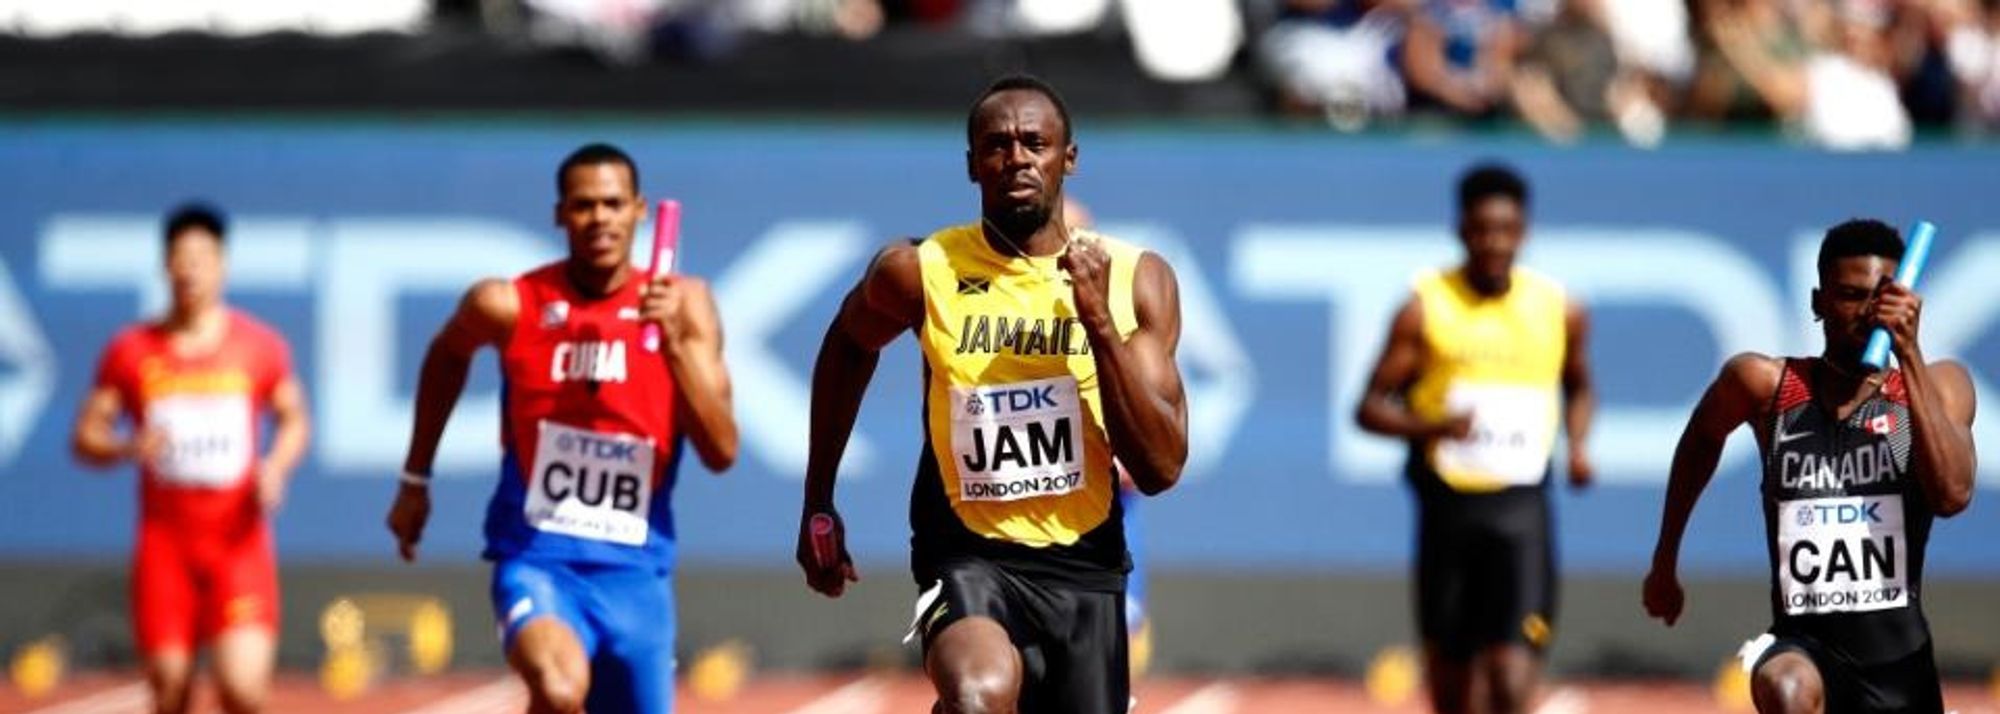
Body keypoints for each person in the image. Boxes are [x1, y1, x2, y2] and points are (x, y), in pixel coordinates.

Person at [795, 74, 1189, 714]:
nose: (1016, 159)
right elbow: (848, 343)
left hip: (1085, 566)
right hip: (965, 554)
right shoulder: (919, 270)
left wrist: (1097, 324)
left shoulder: (1134, 280)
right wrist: (819, 499)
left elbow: (1161, 467)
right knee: (979, 695)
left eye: (1035, 143)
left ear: (1069, 158)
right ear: (972, 165)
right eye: (997, 146)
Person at [385, 143, 738, 714]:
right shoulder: (508, 303)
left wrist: (673, 344)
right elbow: (447, 355)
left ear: (639, 210)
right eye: (583, 205)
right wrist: (414, 479)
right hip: (538, 559)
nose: (599, 218)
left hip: (637, 574)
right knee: (557, 688)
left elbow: (721, 450)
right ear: (560, 214)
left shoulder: (686, 305)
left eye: (613, 204)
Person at [1644, 219, 1975, 714]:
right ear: (1819, 302)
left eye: (1881, 298)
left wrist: (1907, 353)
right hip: (1803, 648)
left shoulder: (1937, 386)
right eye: (1850, 296)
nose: (1867, 313)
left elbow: (1952, 496)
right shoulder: (1767, 386)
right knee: (1787, 688)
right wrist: (1665, 560)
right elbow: (1700, 439)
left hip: (1899, 667)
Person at [1355, 163, 1594, 714]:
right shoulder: (1425, 307)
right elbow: (1368, 409)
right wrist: (1433, 427)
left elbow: (1579, 386)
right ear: (1461, 231)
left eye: (1506, 230)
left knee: (1511, 680)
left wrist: (1579, 446)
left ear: (1524, 232)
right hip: (1448, 509)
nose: (1494, 244)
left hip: (1522, 511)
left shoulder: (1558, 309)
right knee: (1453, 692)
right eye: (1482, 231)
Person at [72, 203, 311, 714]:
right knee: (170, 688)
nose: (191, 271)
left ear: (222, 266)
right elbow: (86, 435)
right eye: (181, 259)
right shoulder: (131, 350)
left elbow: (294, 418)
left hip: (237, 544)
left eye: (202, 258)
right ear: (166, 267)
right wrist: (126, 446)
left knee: (243, 690)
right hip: (166, 546)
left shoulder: (259, 346)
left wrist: (275, 466)